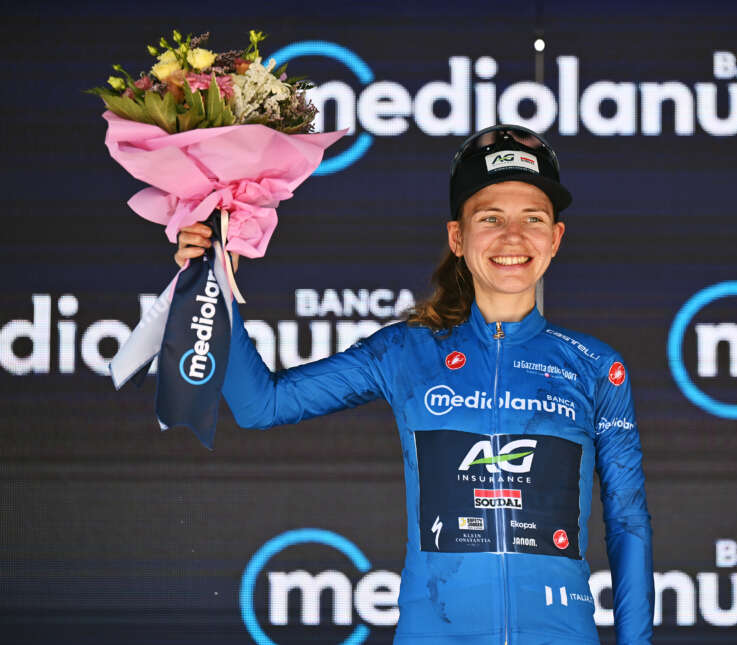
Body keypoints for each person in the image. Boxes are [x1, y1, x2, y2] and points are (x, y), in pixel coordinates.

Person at [175, 124, 653, 644]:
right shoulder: (407, 351)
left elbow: (627, 524)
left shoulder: (595, 366)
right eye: (490, 218)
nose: (513, 237)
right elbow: (258, 406)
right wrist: (211, 280)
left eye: (532, 219)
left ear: (555, 239)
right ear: (458, 237)